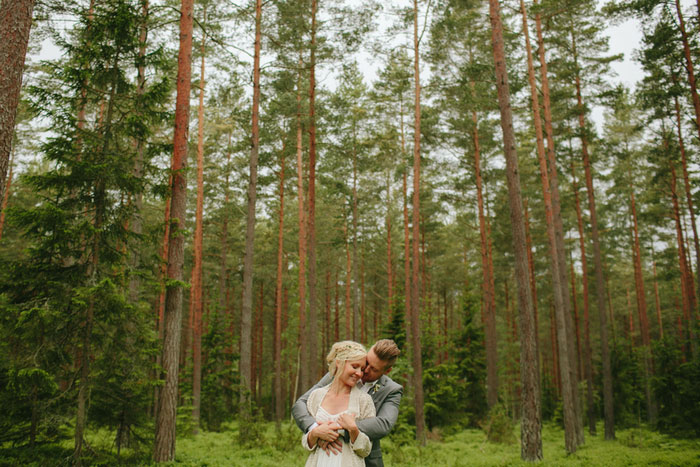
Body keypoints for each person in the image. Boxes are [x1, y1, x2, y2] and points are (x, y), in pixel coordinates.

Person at [294, 339, 402, 467]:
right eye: (366, 362)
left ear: (386, 371)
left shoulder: (392, 390)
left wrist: (337, 432)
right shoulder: (339, 373)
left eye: (373, 369)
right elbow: (301, 404)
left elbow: (383, 424)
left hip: (365, 460)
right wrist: (316, 429)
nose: (364, 371)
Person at [301, 341, 375, 467]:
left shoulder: (364, 401)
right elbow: (306, 441)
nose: (359, 373)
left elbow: (366, 449)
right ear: (339, 363)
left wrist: (353, 429)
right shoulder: (316, 396)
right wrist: (315, 433)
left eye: (362, 369)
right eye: (355, 366)